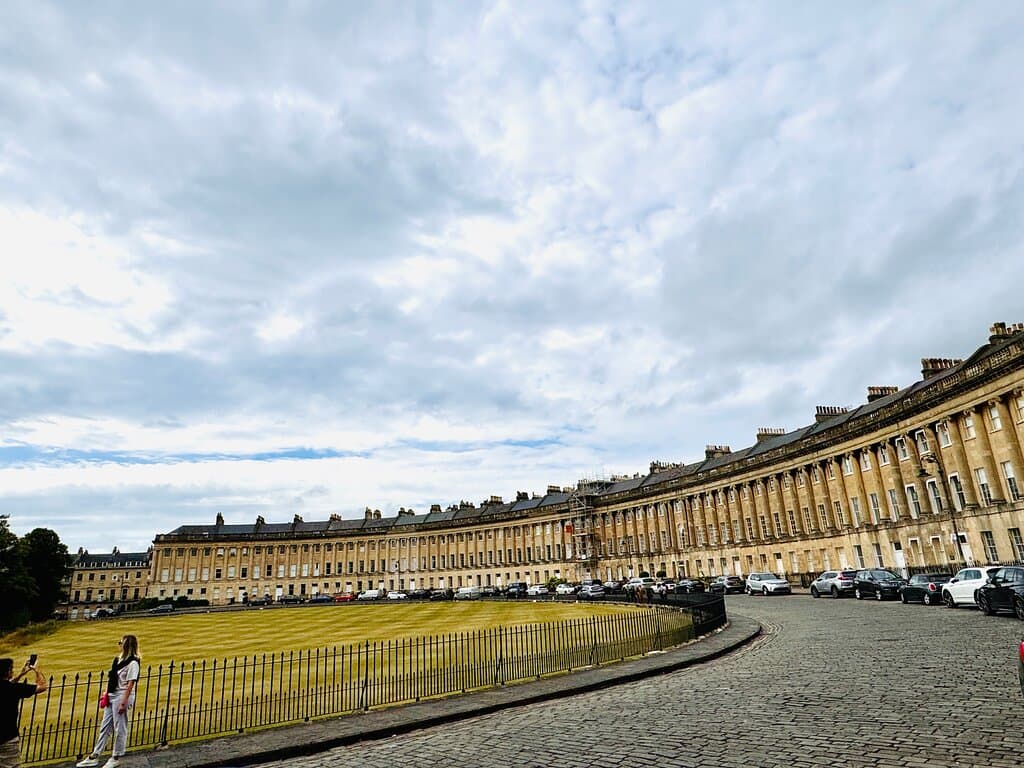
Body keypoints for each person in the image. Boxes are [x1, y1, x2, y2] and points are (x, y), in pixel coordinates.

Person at [76, 636, 140, 768]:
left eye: (121, 643)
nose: (119, 645)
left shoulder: (133, 663)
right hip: (112, 694)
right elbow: (112, 678)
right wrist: (106, 692)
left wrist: (123, 702)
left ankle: (116, 756)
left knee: (120, 726)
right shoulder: (118, 660)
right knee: (105, 726)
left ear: (126, 645)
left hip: (122, 695)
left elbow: (130, 684)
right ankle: (95, 755)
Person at [1, 657, 47, 768]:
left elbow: (8, 684)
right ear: (7, 672)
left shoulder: (11, 687)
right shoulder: (13, 689)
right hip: (8, 737)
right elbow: (42, 686)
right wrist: (36, 670)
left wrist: (21, 674)